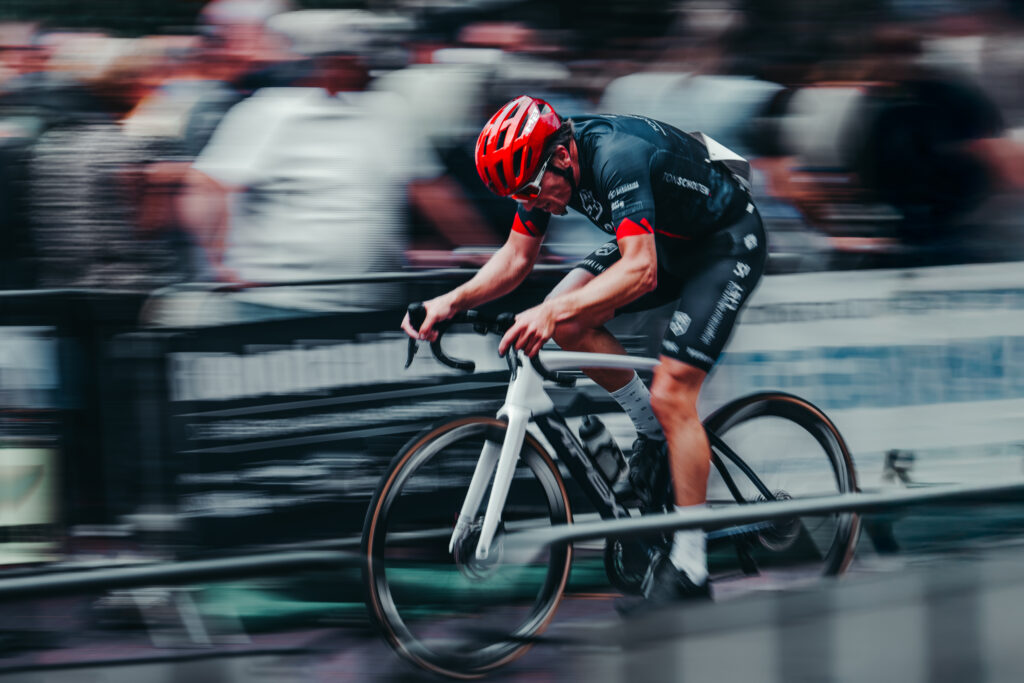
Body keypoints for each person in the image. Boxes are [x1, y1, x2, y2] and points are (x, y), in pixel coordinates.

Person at [402, 95, 767, 607]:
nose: (532, 201)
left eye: (531, 190)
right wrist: (449, 301)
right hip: (665, 236)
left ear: (564, 158)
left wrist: (550, 314)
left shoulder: (617, 156)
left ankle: (690, 566)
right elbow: (515, 257)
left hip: (724, 244)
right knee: (564, 316)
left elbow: (641, 270)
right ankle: (651, 435)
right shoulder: (542, 167)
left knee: (672, 393)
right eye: (518, 196)